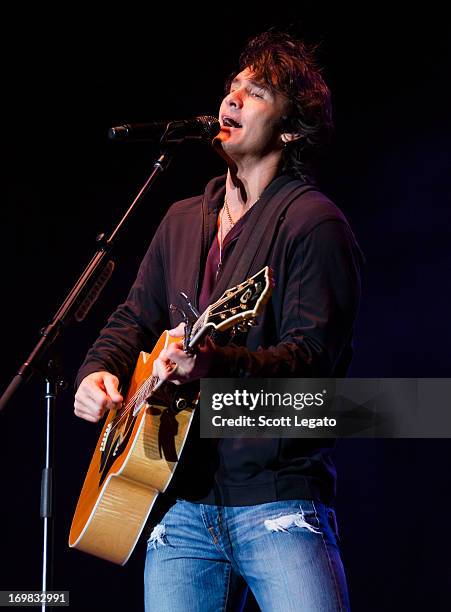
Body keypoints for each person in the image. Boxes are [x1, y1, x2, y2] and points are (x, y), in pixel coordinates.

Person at [74, 28, 362, 611]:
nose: (232, 99)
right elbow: (133, 317)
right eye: (233, 86)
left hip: (275, 503)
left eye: (255, 92)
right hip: (177, 504)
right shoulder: (183, 218)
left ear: (290, 127)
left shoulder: (312, 225)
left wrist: (215, 364)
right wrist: (98, 370)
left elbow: (313, 365)